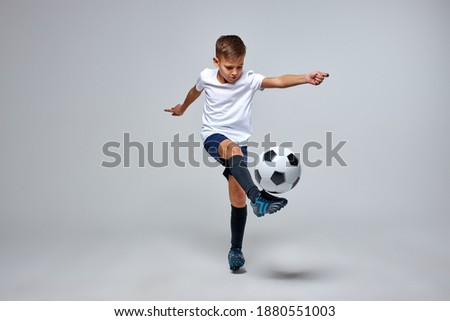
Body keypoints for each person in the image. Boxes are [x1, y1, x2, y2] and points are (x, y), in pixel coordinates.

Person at [164, 35, 329, 271]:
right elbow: (194, 91)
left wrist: (305, 78)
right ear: (216, 62)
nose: (234, 72)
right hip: (213, 136)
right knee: (232, 152)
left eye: (239, 66)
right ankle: (258, 197)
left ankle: (236, 250)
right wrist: (182, 108)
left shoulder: (249, 80)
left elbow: (279, 81)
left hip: (239, 144)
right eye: (229, 67)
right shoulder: (206, 77)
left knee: (237, 197)